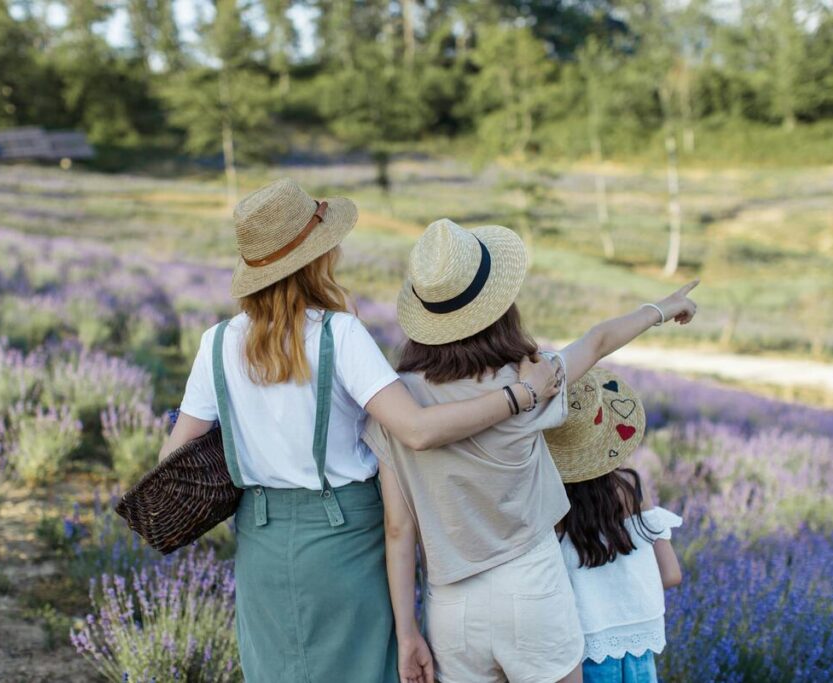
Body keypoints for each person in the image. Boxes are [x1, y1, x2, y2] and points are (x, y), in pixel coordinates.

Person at [156, 179, 561, 683]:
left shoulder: (216, 343)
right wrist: (519, 397)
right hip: (342, 536)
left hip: (260, 541)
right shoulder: (337, 334)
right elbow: (415, 430)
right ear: (314, 260)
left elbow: (172, 455)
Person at [364, 218, 698, 683]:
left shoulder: (398, 403)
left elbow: (398, 531)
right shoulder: (527, 381)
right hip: (532, 586)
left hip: (451, 606)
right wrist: (662, 309)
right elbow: (597, 342)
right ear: (499, 308)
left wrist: (407, 633)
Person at [546, 368, 683, 683]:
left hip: (578, 657)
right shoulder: (630, 488)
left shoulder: (550, 505)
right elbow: (671, 574)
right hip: (638, 655)